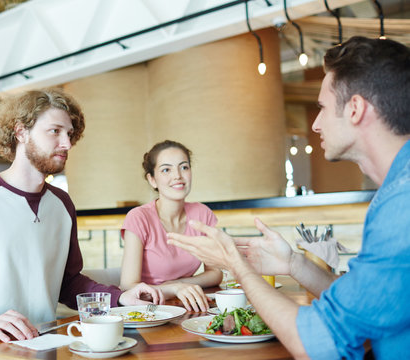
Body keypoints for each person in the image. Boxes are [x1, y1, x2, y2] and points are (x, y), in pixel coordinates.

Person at [168, 36, 410, 359]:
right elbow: (361, 303)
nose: (316, 123)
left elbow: (318, 344)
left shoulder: (401, 207)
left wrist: (238, 267)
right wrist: (292, 263)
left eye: (322, 108)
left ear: (355, 109)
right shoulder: (397, 194)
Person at [0, 88, 163, 357]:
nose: (67, 144)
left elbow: (68, 283)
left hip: (41, 342)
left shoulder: (62, 204)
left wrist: (119, 298)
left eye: (70, 134)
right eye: (55, 131)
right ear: (21, 132)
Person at [120, 140, 222, 312]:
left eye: (184, 167)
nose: (178, 176)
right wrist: (173, 288)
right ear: (152, 179)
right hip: (149, 312)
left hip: (188, 306)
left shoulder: (202, 214)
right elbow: (128, 287)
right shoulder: (138, 217)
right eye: (166, 170)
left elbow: (216, 273)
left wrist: (181, 285)